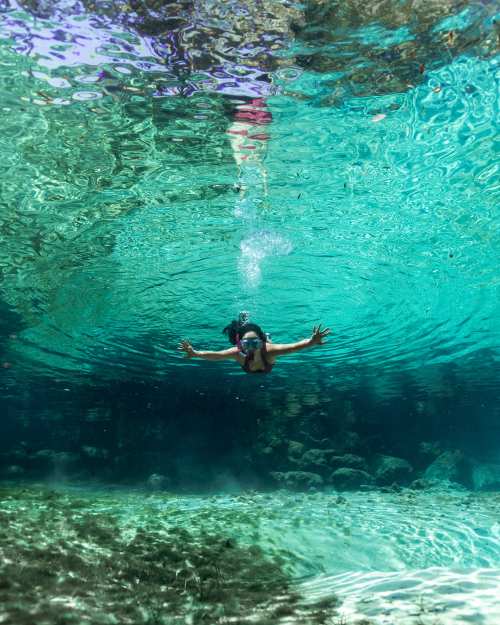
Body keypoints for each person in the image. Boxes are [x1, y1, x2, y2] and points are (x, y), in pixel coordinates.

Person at [178, 312, 330, 374]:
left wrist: (311, 341)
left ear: (261, 342)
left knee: (268, 341)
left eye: (254, 343)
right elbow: (217, 356)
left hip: (266, 342)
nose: (250, 348)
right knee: (245, 333)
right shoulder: (238, 353)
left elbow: (294, 347)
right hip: (255, 347)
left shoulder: (269, 350)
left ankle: (266, 335)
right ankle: (244, 324)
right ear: (241, 344)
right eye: (246, 344)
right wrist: (195, 353)